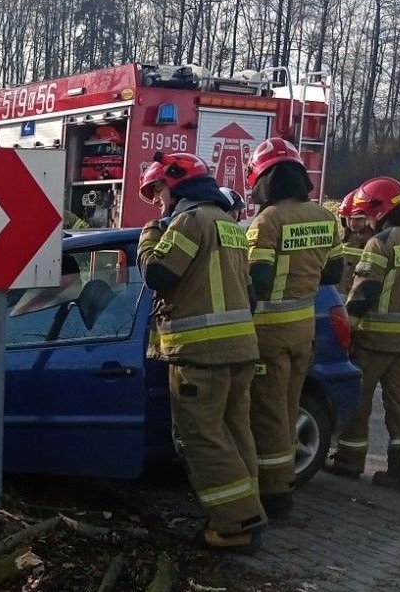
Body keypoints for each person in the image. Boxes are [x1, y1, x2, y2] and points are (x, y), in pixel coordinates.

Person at [137, 151, 266, 553]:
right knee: (234, 432)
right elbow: (249, 291)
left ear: (174, 185)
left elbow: (158, 273)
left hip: (201, 355)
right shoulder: (228, 223)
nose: (157, 202)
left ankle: (234, 527)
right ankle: (249, 512)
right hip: (239, 349)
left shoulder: (190, 221)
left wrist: (148, 236)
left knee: (202, 438)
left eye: (157, 191)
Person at [242, 138, 342, 518]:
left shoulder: (268, 221)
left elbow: (259, 280)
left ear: (263, 178)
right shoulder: (324, 217)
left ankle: (275, 494)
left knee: (267, 413)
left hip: (268, 333)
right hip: (304, 331)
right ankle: (283, 484)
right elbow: (333, 272)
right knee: (288, 408)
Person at [327, 177, 400, 489]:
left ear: (381, 209)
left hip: (374, 341)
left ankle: (349, 461)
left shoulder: (381, 243)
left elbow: (365, 291)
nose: (367, 223)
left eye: (368, 215)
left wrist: (346, 331)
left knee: (359, 400)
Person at [336, 191, 373, 297]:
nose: (352, 223)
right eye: (349, 219)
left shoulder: (375, 243)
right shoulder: (341, 240)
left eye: (358, 219)